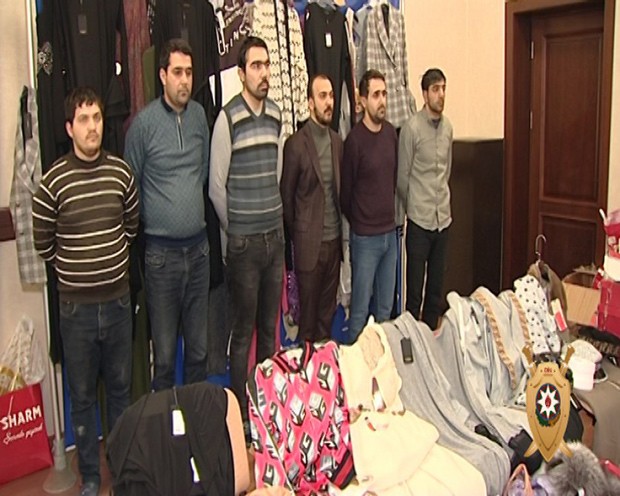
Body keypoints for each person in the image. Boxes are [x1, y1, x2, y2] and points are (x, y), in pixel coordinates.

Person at [33, 87, 139, 496]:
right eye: (83, 119)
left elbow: (131, 228)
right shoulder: (53, 182)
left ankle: (123, 471)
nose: (92, 126)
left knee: (120, 393)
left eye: (96, 118)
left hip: (117, 305)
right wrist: (78, 269)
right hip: (76, 311)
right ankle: (91, 477)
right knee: (81, 398)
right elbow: (44, 244)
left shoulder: (121, 173)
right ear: (69, 128)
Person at [124, 38, 210, 391]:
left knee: (199, 351)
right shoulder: (142, 126)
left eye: (189, 72)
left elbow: (202, 172)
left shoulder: (200, 116)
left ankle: (194, 419)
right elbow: (130, 186)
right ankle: (166, 424)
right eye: (177, 72)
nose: (184, 80)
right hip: (161, 258)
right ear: (162, 76)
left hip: (200, 253)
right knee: (163, 357)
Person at [209, 36, 284, 429]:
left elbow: (277, 172)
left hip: (275, 241)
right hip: (244, 246)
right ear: (241, 74)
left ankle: (266, 406)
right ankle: (240, 414)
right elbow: (215, 187)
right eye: (256, 66)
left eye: (267, 65)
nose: (264, 73)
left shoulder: (276, 115)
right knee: (242, 334)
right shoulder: (228, 118)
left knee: (269, 331)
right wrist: (236, 228)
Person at [280, 74, 343, 342]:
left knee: (326, 322)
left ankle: (322, 367)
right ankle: (304, 368)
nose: (329, 102)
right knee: (307, 325)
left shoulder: (337, 142)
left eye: (331, 96)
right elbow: (286, 198)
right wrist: (301, 233)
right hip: (309, 248)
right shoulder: (295, 145)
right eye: (322, 96)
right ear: (310, 103)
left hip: (334, 244)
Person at [340, 69, 399, 342]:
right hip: (365, 239)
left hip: (390, 235)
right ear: (362, 101)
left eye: (384, 94)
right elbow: (346, 194)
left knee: (385, 311)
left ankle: (382, 363)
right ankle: (354, 365)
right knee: (360, 313)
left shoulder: (391, 134)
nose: (382, 100)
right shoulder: (354, 141)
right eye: (376, 95)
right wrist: (361, 222)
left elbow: (392, 178)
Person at [397, 68, 452, 330]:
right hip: (419, 221)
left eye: (443, 89)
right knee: (415, 292)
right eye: (436, 89)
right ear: (425, 94)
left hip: (443, 220)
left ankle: (432, 341)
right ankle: (413, 341)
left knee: (435, 292)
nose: (441, 95)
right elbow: (402, 178)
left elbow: (447, 170)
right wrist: (414, 207)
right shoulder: (412, 129)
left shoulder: (448, 128)